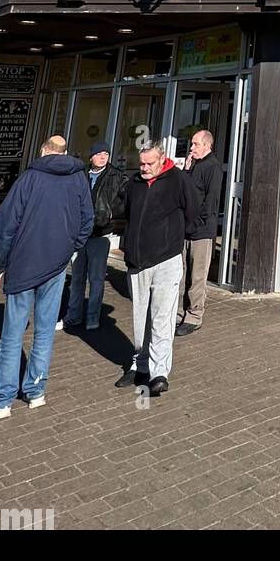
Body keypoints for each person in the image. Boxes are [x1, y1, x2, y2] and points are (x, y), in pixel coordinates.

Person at [0, 136, 93, 419]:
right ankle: (36, 392)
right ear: (65, 152)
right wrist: (71, 247)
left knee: (12, 334)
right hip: (56, 266)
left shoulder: (29, 178)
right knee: (44, 331)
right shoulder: (78, 178)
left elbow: (6, 225)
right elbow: (87, 219)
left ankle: (3, 401)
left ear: (43, 150)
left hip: (23, 264)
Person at [117, 144, 190, 397]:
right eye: (142, 163)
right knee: (140, 318)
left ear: (162, 160)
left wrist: (174, 238)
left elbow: (193, 211)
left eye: (150, 163)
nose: (145, 168)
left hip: (166, 259)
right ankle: (140, 364)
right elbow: (127, 213)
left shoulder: (178, 180)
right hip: (137, 262)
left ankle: (160, 373)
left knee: (162, 317)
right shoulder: (135, 184)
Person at [64, 143, 126, 332]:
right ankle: (73, 316)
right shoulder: (80, 174)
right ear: (91, 157)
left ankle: (93, 317)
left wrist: (109, 214)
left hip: (100, 233)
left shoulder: (116, 176)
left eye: (106, 153)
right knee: (77, 277)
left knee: (96, 278)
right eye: (99, 154)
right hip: (80, 233)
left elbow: (123, 201)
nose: (103, 157)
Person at [177, 129, 223, 338]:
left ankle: (194, 316)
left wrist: (196, 224)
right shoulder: (194, 166)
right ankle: (179, 313)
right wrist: (186, 171)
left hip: (201, 232)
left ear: (206, 145)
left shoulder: (212, 167)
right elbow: (186, 192)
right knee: (182, 273)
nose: (191, 148)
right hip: (187, 229)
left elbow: (210, 202)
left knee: (197, 276)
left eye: (195, 144)